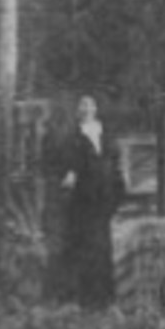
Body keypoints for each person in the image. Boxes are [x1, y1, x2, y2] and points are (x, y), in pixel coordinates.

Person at [49, 94, 126, 307]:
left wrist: (117, 187)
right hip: (85, 197)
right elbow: (69, 164)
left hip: (105, 195)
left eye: (90, 104)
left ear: (96, 108)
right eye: (82, 104)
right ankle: (87, 298)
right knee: (87, 245)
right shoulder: (73, 137)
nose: (87, 108)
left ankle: (105, 297)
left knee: (103, 245)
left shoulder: (106, 134)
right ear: (77, 110)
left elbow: (114, 159)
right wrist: (70, 174)